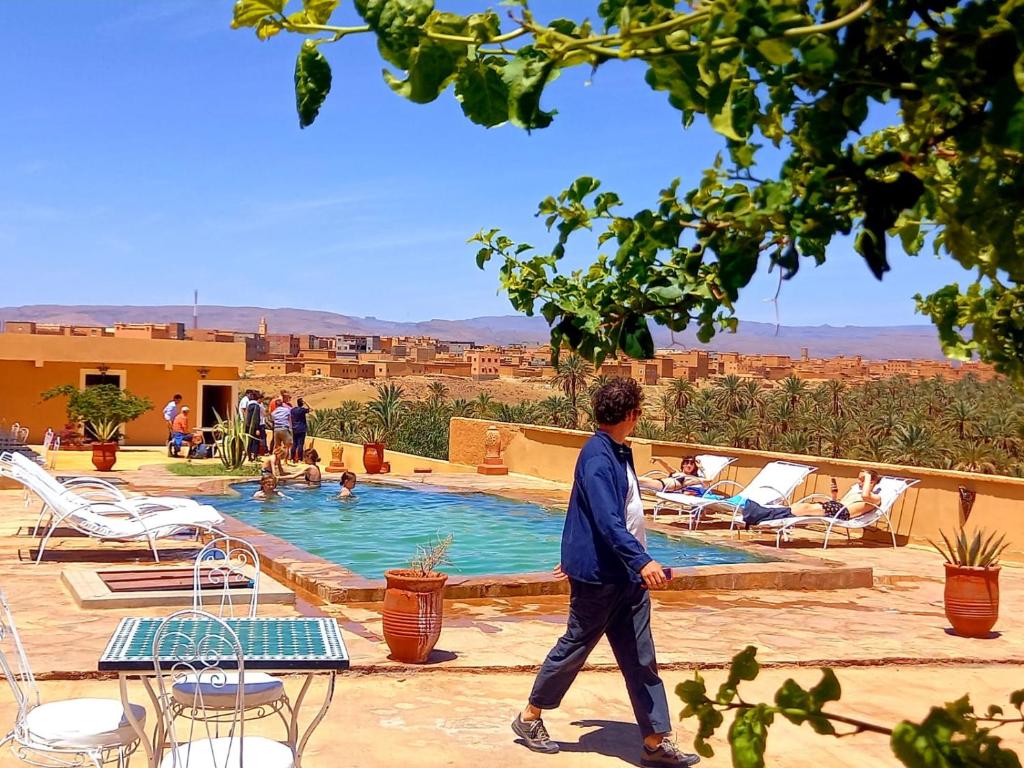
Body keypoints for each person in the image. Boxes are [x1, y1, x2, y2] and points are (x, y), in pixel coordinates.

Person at [512, 378, 699, 768]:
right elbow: (606, 520)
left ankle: (653, 741)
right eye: (639, 412)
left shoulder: (617, 452)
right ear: (631, 415)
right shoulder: (599, 457)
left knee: (641, 658)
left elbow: (593, 514)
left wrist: (587, 553)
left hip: (625, 577)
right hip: (602, 578)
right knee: (575, 646)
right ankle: (530, 716)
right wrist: (642, 562)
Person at [740, 468, 883, 526]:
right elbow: (839, 503)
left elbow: (865, 496)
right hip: (837, 508)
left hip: (842, 513)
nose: (859, 482)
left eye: (862, 479)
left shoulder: (875, 498)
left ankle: (758, 513)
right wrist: (834, 495)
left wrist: (869, 476)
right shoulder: (856, 492)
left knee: (803, 508)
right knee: (798, 507)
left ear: (871, 482)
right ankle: (759, 513)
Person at [271, 394, 294, 461]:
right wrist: (290, 429)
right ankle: (285, 461)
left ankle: (275, 460)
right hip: (284, 428)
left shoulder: (274, 412)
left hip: (276, 429)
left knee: (276, 446)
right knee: (287, 446)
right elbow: (289, 420)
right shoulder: (287, 410)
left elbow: (273, 420)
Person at [290, 397, 312, 462]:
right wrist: (306, 403)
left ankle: (292, 458)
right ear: (302, 403)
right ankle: (299, 459)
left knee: (294, 444)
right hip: (302, 428)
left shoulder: (293, 410)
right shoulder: (302, 410)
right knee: (300, 444)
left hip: (294, 428)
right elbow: (311, 409)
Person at [245, 393, 265, 461]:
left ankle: (249, 456)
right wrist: (257, 428)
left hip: (248, 426)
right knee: (256, 441)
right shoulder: (257, 406)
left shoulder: (248, 406)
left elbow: (247, 417)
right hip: (255, 427)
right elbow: (256, 418)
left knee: (249, 441)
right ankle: (255, 456)